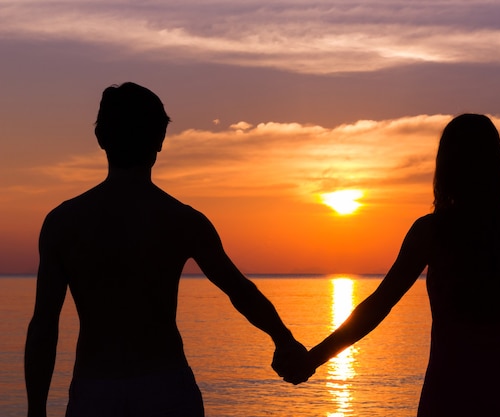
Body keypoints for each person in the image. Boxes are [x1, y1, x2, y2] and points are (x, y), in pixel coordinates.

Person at [24, 82, 307, 417]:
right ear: (160, 140)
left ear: (101, 139)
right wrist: (283, 338)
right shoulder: (182, 220)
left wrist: (36, 411)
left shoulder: (63, 223)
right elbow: (239, 291)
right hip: (166, 386)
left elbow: (44, 324)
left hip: (95, 389)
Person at [277, 114, 500, 417]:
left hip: (452, 387)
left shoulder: (433, 232)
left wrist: (313, 359)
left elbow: (378, 306)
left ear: (447, 168)